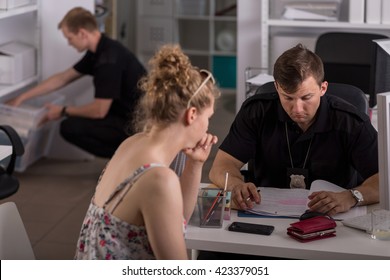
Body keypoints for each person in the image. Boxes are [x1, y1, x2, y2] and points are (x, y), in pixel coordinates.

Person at [74, 44, 220, 260]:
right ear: (191, 114)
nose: (207, 126)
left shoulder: (132, 143)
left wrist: (195, 164)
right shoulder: (160, 179)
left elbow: (177, 220)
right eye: (208, 117)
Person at [209, 44, 379, 216]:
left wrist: (351, 197)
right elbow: (222, 166)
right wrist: (235, 185)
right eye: (288, 98)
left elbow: (384, 179)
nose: (297, 109)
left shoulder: (351, 122)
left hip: (333, 219)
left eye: (306, 97)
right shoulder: (256, 112)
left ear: (323, 88)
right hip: (263, 214)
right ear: (277, 87)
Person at [7, 7, 147, 158]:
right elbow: (62, 78)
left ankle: (127, 159)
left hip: (135, 125)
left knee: (70, 127)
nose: (69, 43)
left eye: (69, 38)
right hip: (126, 115)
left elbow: (99, 111)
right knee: (72, 123)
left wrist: (62, 111)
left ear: (82, 33)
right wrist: (21, 98)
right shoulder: (100, 49)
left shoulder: (108, 60)